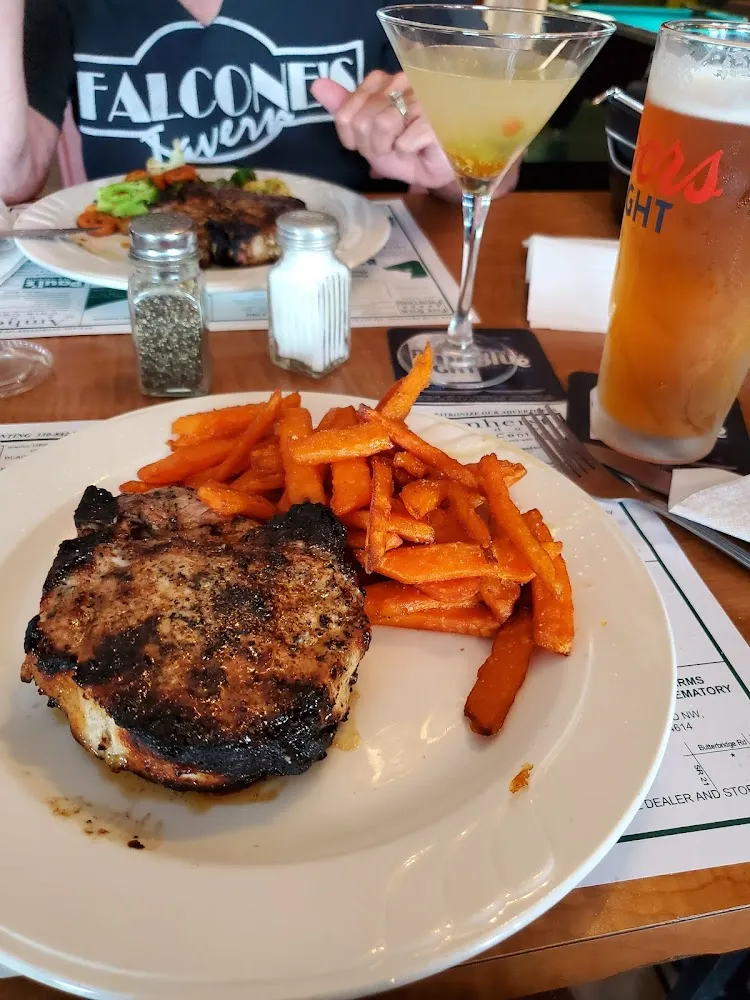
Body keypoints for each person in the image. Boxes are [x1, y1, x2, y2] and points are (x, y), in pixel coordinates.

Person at [1, 0, 519, 204]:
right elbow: (12, 178)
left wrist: (445, 153)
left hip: (339, 290)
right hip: (135, 288)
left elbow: (500, 168)